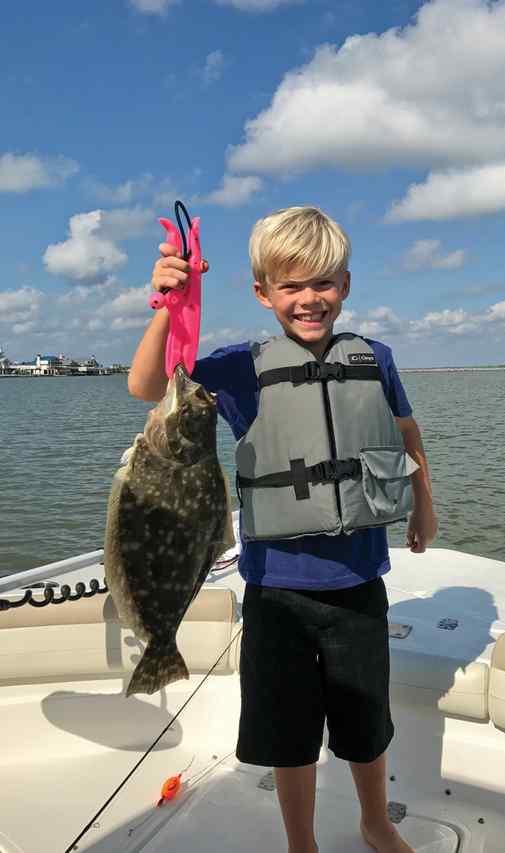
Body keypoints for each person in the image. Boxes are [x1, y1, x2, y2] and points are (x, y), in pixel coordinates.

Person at [128, 206, 438, 853]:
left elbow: (406, 434)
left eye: (322, 283)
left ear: (345, 286)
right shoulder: (240, 367)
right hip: (275, 594)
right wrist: (166, 302)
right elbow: (147, 384)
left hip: (358, 586)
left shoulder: (374, 358)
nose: (308, 299)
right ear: (262, 293)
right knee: (290, 733)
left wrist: (422, 503)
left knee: (364, 723)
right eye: (291, 286)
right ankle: (302, 842)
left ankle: (375, 822)